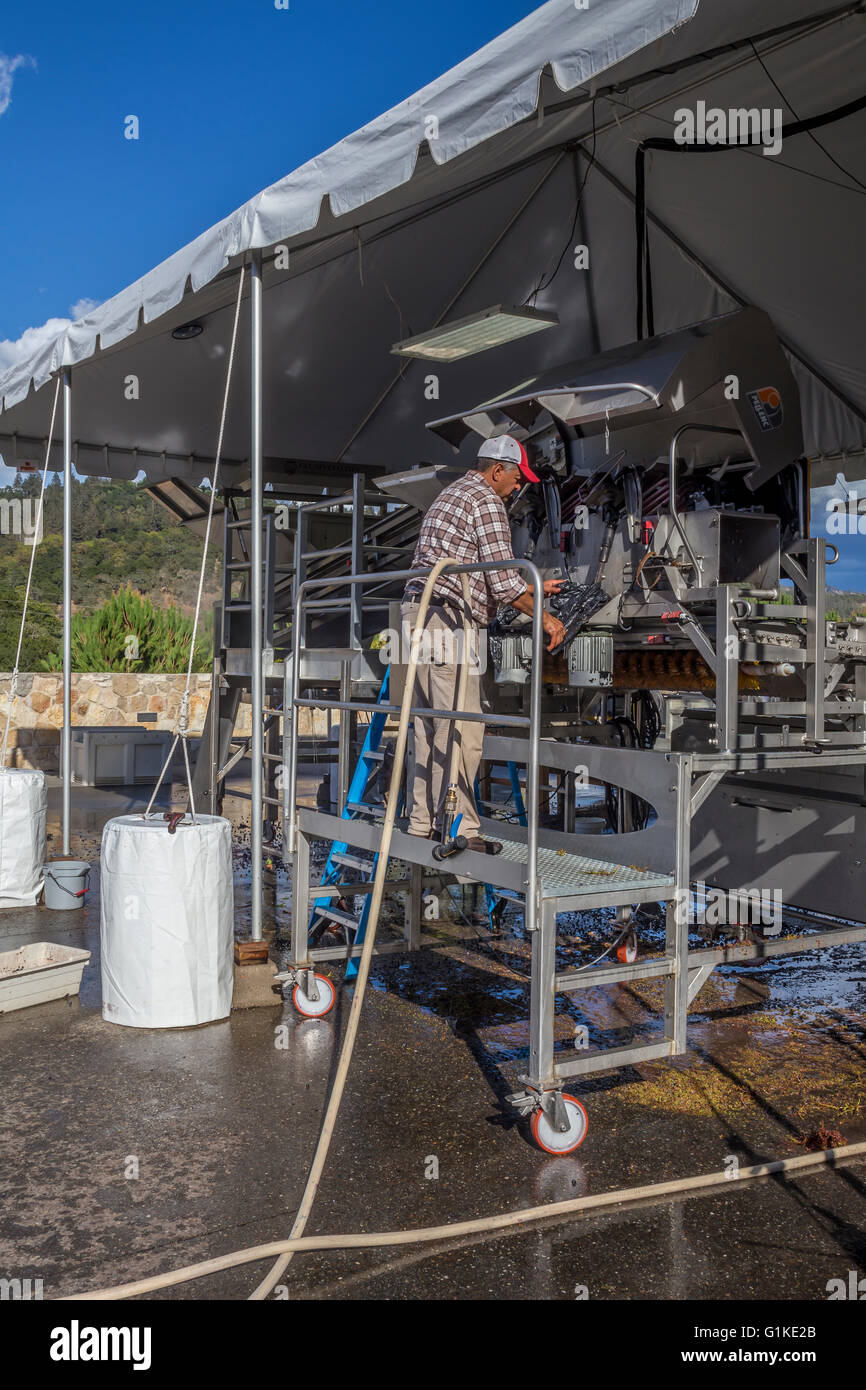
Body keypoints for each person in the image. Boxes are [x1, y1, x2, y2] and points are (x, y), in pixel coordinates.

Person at [401, 434, 566, 851]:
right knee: (463, 728)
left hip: (416, 616)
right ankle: (460, 828)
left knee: (426, 724)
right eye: (516, 479)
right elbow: (503, 581)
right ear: (497, 470)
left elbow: (480, 569)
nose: (517, 488)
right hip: (448, 624)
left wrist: (536, 586)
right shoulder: (488, 501)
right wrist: (546, 617)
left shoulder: (451, 493)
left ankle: (422, 823)